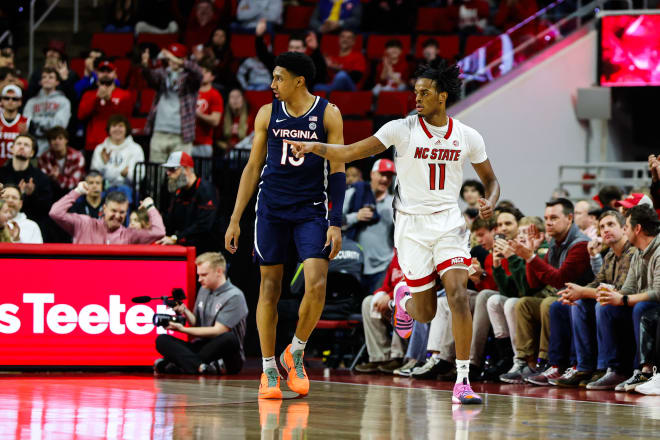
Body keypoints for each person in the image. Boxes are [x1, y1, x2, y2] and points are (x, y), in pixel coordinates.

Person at [289, 58, 500, 404]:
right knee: (427, 313)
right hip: (412, 228)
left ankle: (463, 381)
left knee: (460, 296)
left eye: (425, 92)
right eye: (415, 91)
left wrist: (489, 201)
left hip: (448, 223)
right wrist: (316, 147)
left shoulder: (467, 135)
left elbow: (491, 181)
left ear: (443, 96)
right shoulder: (400, 129)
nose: (417, 98)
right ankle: (404, 299)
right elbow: (352, 151)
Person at [225, 52, 346, 400]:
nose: (272, 84)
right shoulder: (267, 113)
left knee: (317, 283)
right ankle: (267, 369)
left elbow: (337, 170)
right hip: (272, 209)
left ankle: (294, 351)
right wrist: (235, 218)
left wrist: (334, 222)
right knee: (269, 288)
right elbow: (252, 168)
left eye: (279, 78)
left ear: (299, 81)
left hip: (311, 209)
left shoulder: (328, 113)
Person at [553, 210, 636, 390]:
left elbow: (620, 291)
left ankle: (611, 368)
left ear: (624, 228)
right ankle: (584, 367)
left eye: (611, 224)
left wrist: (582, 291)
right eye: (602, 227)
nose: (605, 229)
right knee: (578, 304)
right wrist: (573, 293)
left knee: (602, 306)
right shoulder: (610, 256)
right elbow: (597, 283)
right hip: (615, 305)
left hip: (631, 306)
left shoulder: (632, 252)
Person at [597, 205, 660, 392]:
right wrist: (610, 295)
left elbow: (658, 292)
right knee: (605, 307)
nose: (624, 231)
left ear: (637, 228)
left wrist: (624, 300)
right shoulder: (638, 254)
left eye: (625, 227)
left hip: (654, 307)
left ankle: (645, 371)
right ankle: (616, 370)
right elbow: (628, 289)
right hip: (643, 306)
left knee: (642, 308)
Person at [155, 252, 249, 375]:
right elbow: (196, 323)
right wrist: (185, 311)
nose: (199, 279)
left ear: (219, 272)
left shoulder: (234, 295)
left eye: (204, 275)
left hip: (226, 352)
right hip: (202, 346)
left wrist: (182, 329)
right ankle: (200, 367)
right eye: (199, 275)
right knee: (162, 340)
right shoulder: (203, 290)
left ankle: (182, 364)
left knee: (229, 338)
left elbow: (218, 331)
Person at [141, 44, 202, 163]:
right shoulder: (162, 74)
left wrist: (176, 60)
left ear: (184, 59)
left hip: (181, 135)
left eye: (177, 57)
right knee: (155, 175)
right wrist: (145, 65)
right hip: (159, 131)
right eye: (170, 58)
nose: (172, 61)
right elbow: (149, 77)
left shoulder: (190, 78)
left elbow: (198, 73)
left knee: (179, 176)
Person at [49, 182, 165, 244]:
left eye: (122, 212)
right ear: (104, 208)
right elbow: (55, 212)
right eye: (114, 211)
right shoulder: (84, 224)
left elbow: (159, 232)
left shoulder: (130, 235)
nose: (117, 216)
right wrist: (77, 192)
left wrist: (150, 207)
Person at [343, 158, 395, 293]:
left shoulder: (394, 204)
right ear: (372, 174)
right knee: (353, 310)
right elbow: (334, 221)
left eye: (389, 176)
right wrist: (356, 217)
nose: (385, 179)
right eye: (382, 174)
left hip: (383, 267)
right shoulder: (354, 194)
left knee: (374, 310)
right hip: (354, 263)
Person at [354, 253, 407, 374]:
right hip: (392, 299)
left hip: (411, 301)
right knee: (368, 302)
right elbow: (386, 285)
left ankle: (398, 357)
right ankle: (380, 357)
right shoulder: (396, 256)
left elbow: (411, 284)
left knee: (401, 300)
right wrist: (380, 295)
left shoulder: (416, 253)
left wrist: (389, 296)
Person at [158, 151, 220, 254]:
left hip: (207, 250)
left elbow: (204, 225)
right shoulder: (179, 190)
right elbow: (170, 219)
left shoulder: (206, 190)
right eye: (167, 170)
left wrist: (176, 238)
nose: (168, 173)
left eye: (172, 169)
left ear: (186, 169)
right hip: (185, 246)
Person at [0, 134, 53, 237]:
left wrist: (32, 194)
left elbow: (46, 209)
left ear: (32, 152)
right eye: (19, 143)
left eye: (26, 145)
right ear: (12, 148)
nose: (22, 147)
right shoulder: (1, 173)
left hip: (30, 229)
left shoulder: (41, 178)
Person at [78, 60, 133, 153]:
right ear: (97, 73)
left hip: (117, 144)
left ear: (115, 74)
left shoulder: (125, 94)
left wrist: (109, 100)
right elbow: (81, 115)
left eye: (109, 71)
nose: (105, 74)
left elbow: (125, 117)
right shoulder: (88, 95)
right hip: (93, 144)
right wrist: (96, 99)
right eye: (102, 71)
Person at [255, 28, 328, 88]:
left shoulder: (310, 64)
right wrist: (259, 37)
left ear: (304, 49)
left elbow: (322, 76)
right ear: (288, 48)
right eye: (291, 47)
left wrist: (316, 50)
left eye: (297, 48)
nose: (293, 50)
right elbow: (264, 56)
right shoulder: (280, 63)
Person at [23, 68, 71, 156]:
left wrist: (37, 122)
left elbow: (60, 125)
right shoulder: (31, 102)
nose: (47, 79)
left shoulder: (64, 101)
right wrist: (49, 123)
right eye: (44, 77)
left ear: (57, 82)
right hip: (34, 147)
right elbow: (27, 123)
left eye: (51, 77)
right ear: (40, 82)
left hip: (54, 148)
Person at [90, 115, 145, 192]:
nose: (117, 129)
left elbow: (139, 176)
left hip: (129, 190)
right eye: (114, 126)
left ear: (126, 129)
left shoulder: (136, 149)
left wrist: (127, 174)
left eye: (121, 126)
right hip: (104, 190)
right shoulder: (101, 149)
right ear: (109, 129)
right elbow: (94, 175)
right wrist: (104, 164)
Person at [38, 126, 85, 198]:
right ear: (49, 142)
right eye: (53, 139)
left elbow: (74, 183)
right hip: (51, 193)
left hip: (73, 194)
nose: (57, 142)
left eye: (60, 138)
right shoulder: (44, 158)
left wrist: (58, 178)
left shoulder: (77, 157)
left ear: (66, 140)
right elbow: (42, 183)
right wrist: (53, 178)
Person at [314, 29, 367, 94]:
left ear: (354, 42)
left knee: (341, 75)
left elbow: (356, 77)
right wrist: (323, 64)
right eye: (342, 37)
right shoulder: (332, 57)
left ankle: (330, 95)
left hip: (351, 89)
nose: (345, 39)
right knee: (316, 87)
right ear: (338, 39)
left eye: (349, 38)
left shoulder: (358, 56)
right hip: (332, 86)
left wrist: (336, 68)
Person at [194, 60, 223, 158]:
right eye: (200, 70)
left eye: (206, 71)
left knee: (203, 173)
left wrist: (197, 115)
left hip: (204, 143)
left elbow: (215, 121)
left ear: (212, 77)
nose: (202, 73)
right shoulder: (191, 92)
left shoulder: (215, 95)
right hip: (186, 142)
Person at [0, 84, 29, 167]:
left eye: (14, 99)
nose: (10, 101)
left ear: (20, 102)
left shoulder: (27, 122)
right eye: (6, 98)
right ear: (1, 101)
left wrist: (27, 136)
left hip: (17, 170)